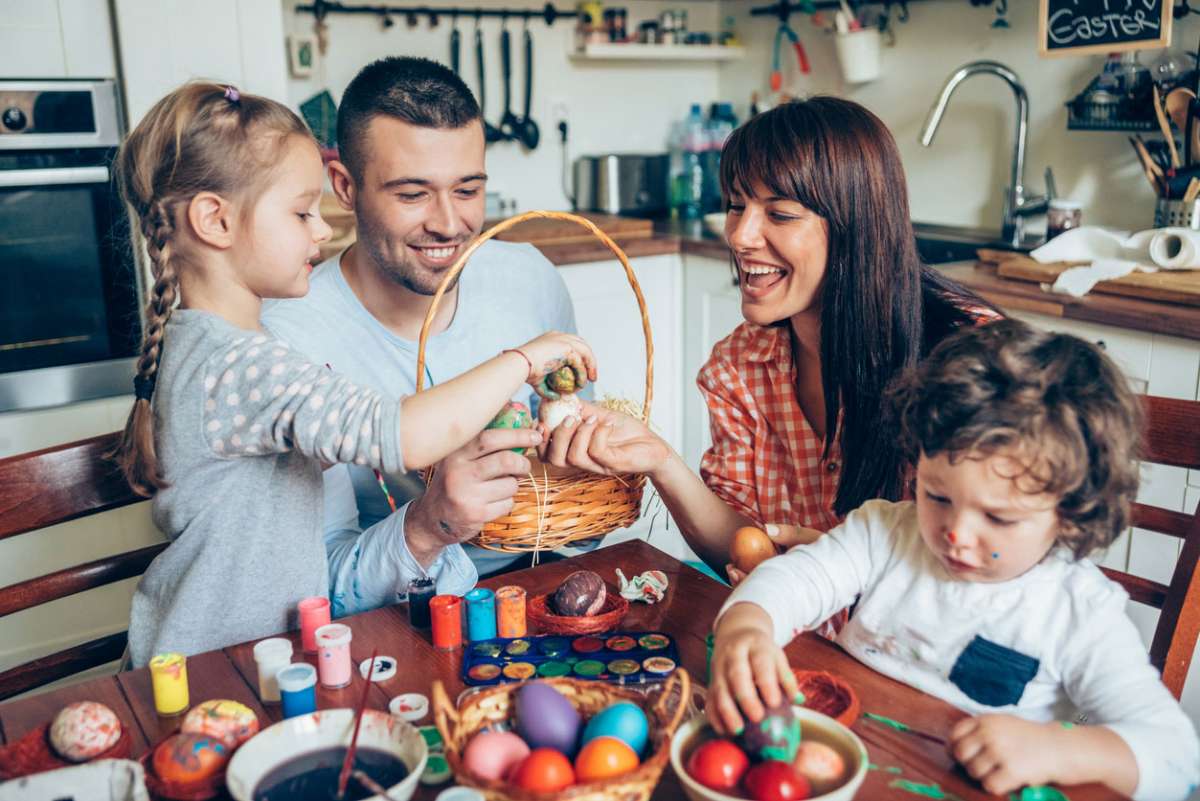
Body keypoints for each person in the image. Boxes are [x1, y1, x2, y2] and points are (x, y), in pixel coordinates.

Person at [112, 82, 594, 666]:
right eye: (300, 212)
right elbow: (398, 432)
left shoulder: (232, 349)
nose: (320, 230)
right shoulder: (246, 362)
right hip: (214, 665)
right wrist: (521, 359)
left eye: (468, 189)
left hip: (269, 655)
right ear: (215, 220)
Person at [708, 320, 1200, 801]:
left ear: (1070, 514)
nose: (956, 535)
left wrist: (1061, 749)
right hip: (856, 761)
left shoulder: (1080, 611)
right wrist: (747, 628)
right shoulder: (884, 533)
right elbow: (794, 579)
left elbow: (1178, 760)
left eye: (999, 518)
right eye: (937, 496)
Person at [540, 97, 997, 581]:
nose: (740, 236)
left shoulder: (968, 356)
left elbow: (1012, 563)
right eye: (737, 206)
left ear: (855, 228)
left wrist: (857, 571)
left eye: (779, 214)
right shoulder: (738, 365)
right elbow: (745, 546)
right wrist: (660, 461)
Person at [262, 57, 589, 607]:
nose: (447, 224)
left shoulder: (529, 276)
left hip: (541, 587)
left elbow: (581, 503)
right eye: (412, 194)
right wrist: (429, 524)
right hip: (397, 617)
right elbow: (321, 592)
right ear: (344, 186)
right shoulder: (287, 339)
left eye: (467, 191)